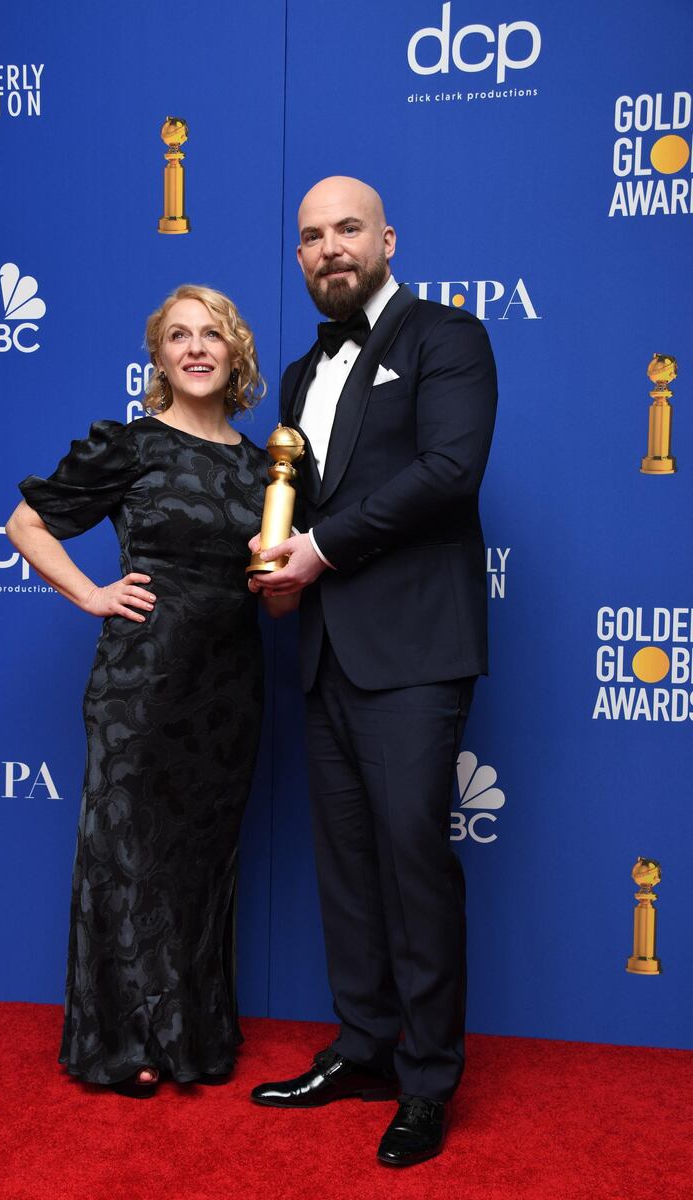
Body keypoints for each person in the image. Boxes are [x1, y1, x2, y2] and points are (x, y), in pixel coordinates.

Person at [248, 177, 497, 1165]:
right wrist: (273, 562)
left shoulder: (446, 338)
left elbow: (447, 473)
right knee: (346, 868)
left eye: (345, 229)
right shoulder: (302, 370)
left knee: (410, 863)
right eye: (309, 237)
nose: (327, 249)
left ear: (386, 237)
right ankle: (361, 1049)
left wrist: (319, 552)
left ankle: (427, 1079)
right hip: (323, 652)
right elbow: (289, 504)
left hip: (415, 652)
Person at [6, 284, 272, 1098]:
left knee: (200, 862)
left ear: (236, 354)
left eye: (213, 335)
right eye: (179, 336)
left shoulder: (267, 467)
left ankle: (192, 1031)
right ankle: (126, 1041)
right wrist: (91, 593)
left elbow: (281, 588)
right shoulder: (131, 445)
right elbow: (27, 523)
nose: (196, 348)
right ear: (158, 356)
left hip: (227, 691)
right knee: (128, 858)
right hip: (140, 686)